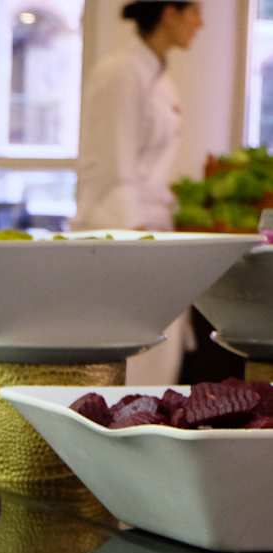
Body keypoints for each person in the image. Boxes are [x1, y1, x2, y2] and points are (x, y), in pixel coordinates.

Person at [75, 0, 203, 383]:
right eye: (194, 12)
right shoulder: (121, 72)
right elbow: (113, 168)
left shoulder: (159, 77)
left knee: (157, 364)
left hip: (150, 237)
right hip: (122, 237)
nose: (200, 24)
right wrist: (139, 242)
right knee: (127, 369)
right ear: (169, 13)